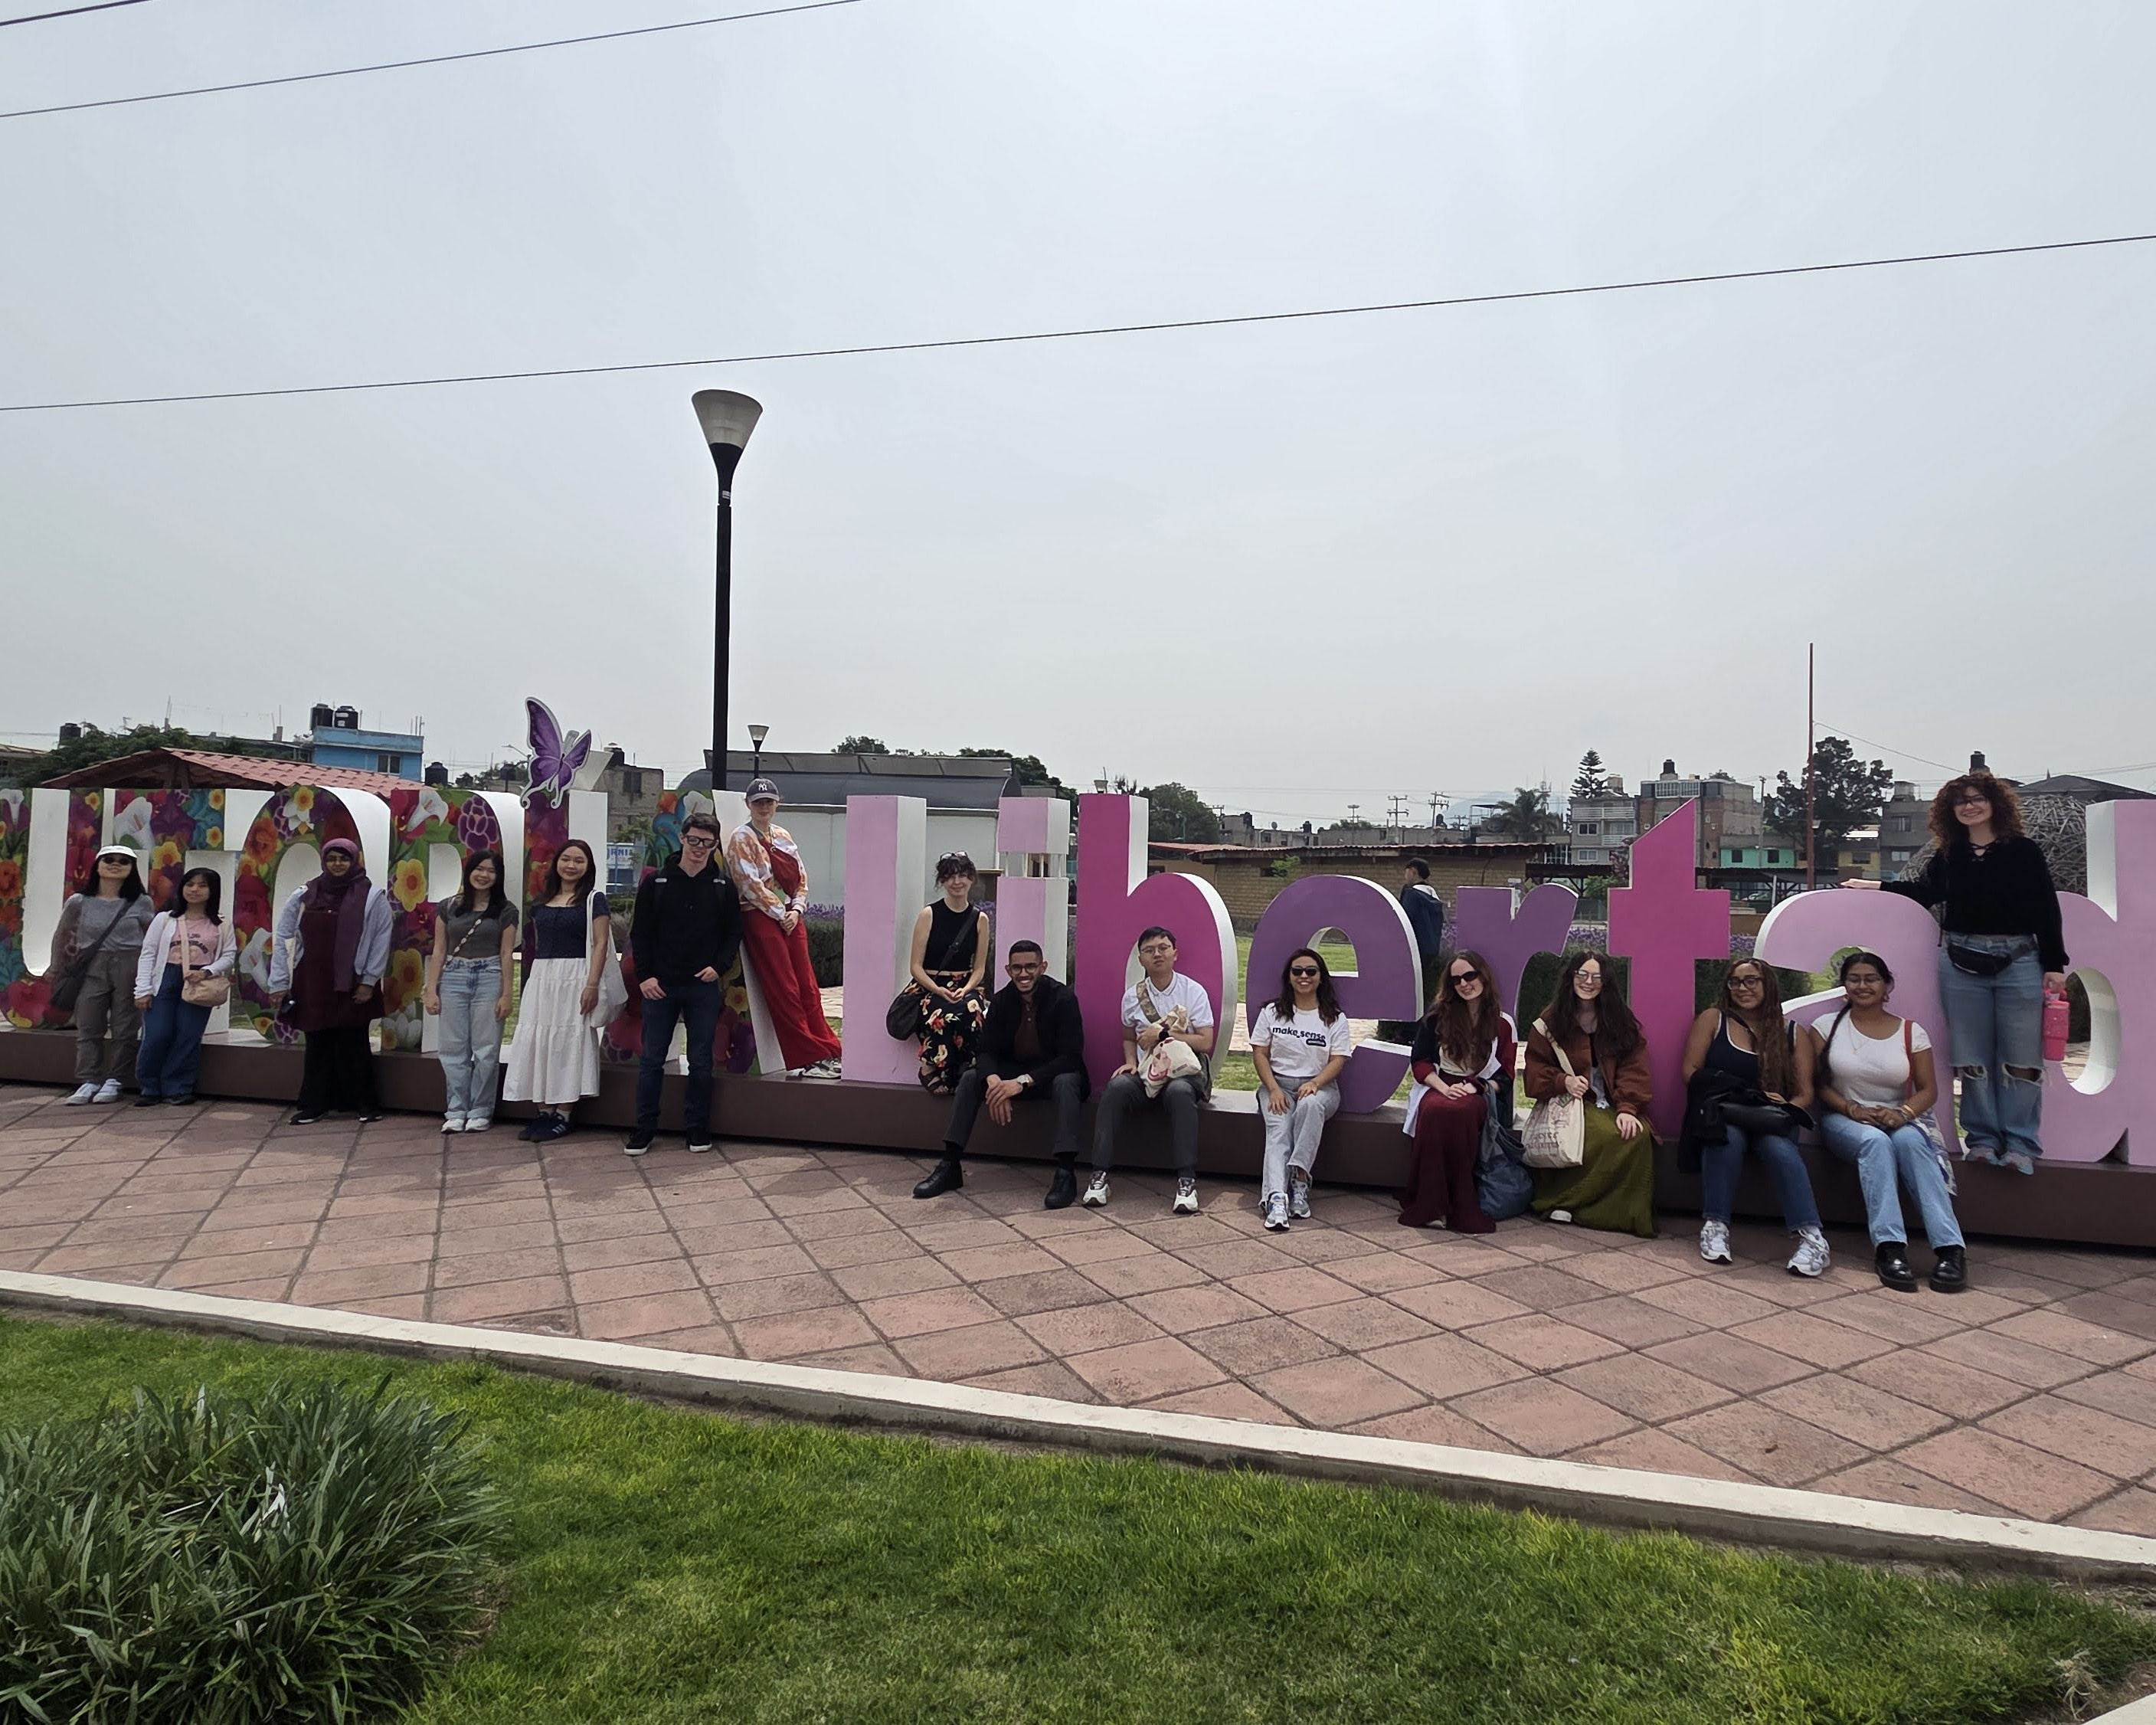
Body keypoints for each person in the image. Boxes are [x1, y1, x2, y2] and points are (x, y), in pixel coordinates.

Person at [1844, 769, 2066, 1175]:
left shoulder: (2023, 851)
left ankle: (2020, 1143)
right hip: (1961, 961)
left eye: (1977, 798)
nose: (1970, 806)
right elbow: (1925, 893)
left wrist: (2054, 964)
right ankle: (1982, 1139)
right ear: (1951, 810)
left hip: (2019, 960)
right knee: (1970, 1057)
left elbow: (2046, 907)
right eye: (1961, 801)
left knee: (2022, 1059)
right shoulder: (1949, 855)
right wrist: (1876, 887)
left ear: (1994, 803)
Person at [1813, 950, 1967, 1293]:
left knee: (1913, 1144)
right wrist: (1852, 1109)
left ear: (1887, 985)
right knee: (1875, 1142)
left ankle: (1950, 1249)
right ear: (1844, 985)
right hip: (1844, 1120)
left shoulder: (1911, 1031)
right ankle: (1890, 1247)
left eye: (1871, 979)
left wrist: (1902, 1114)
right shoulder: (1826, 1028)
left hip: (1899, 1119)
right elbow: (1818, 1085)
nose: (1862, 986)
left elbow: (1929, 1090)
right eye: (1854, 979)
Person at [912, 939, 1090, 1206]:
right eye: (1017, 968)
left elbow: (1070, 1057)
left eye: (1030, 967)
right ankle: (950, 1165)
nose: (1024, 973)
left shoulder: (1062, 999)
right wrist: (995, 1082)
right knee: (971, 1079)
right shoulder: (1002, 1000)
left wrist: (1021, 1083)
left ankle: (1065, 1172)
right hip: (1012, 1072)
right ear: (1008, 970)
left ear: (1043, 967)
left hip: (1049, 1074)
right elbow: (986, 1051)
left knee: (1067, 1082)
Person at [1680, 959, 1828, 1275]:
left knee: (1779, 1148)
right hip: (1726, 1112)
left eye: (1751, 981)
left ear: (1767, 984)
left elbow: (1806, 1093)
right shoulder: (1713, 1019)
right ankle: (1715, 1226)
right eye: (1735, 982)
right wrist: (1731, 1090)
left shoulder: (1792, 1032)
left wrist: (1787, 1106)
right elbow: (1690, 1071)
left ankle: (1812, 1238)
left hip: (1770, 1118)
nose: (1742, 988)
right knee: (1725, 1137)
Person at [627, 811, 741, 1156]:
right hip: (659, 985)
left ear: (715, 845)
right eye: (694, 840)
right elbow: (640, 933)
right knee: (652, 1060)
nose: (699, 848)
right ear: (682, 838)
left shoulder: (722, 886)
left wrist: (718, 967)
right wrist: (645, 976)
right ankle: (644, 1128)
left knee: (701, 1060)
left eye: (707, 842)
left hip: (701, 987)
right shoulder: (657, 883)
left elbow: (733, 933)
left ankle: (696, 1128)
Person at [1521, 951, 1656, 1238]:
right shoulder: (1550, 1021)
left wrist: (1628, 1108)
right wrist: (1563, 1081)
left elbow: (1634, 1068)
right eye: (1582, 974)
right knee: (1601, 1134)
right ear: (1571, 977)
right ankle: (1564, 1201)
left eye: (1597, 976)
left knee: (1638, 1135)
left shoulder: (1620, 1020)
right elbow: (1534, 1071)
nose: (1589, 982)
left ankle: (1615, 1211)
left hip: (1613, 1102)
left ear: (1606, 982)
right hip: (1571, 1103)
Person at [1083, 925, 1215, 1214]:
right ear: (1140, 959)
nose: (1157, 954)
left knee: (1180, 1093)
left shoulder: (1193, 992)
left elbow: (1205, 1042)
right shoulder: (1133, 996)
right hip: (1147, 1074)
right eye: (1149, 950)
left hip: (1183, 1073)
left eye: (1163, 948)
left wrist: (1164, 1034)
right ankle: (1099, 1175)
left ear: (1175, 953)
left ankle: (1186, 1180)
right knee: (1116, 1088)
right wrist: (1130, 1062)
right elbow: (1128, 1037)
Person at [267, 838, 394, 1125]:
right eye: (332, 859)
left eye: (344, 859)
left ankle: (365, 1104)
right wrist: (279, 981)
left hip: (353, 982)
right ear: (323, 861)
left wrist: (368, 981)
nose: (338, 864)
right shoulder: (304, 895)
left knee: (354, 1043)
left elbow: (380, 940)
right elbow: (285, 938)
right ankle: (315, 1105)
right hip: (312, 981)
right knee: (317, 1044)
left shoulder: (372, 897)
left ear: (354, 861)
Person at [725, 777, 842, 1078]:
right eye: (758, 802)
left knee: (807, 985)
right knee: (784, 987)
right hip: (761, 915)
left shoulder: (782, 835)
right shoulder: (741, 839)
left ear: (777, 804)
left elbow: (800, 877)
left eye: (769, 802)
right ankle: (807, 1055)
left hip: (791, 916)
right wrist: (781, 913)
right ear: (749, 805)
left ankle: (828, 1048)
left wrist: (797, 909)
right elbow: (749, 884)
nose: (764, 807)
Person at [504, 838, 614, 1143]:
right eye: (566, 859)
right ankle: (544, 1110)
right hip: (543, 977)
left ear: (588, 866)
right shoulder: (542, 901)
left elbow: (601, 944)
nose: (571, 866)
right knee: (538, 1039)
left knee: (569, 1040)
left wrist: (591, 983)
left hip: (576, 976)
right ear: (556, 863)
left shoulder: (594, 900)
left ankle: (564, 1113)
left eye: (579, 861)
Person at [1399, 951, 1513, 1232]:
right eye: (1456, 980)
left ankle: (1459, 1204)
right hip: (1439, 1084)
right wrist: (1443, 1088)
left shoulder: (1502, 1023)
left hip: (1478, 1089)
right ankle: (1431, 1205)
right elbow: (1420, 1061)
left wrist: (1476, 1087)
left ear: (1483, 976)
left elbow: (1506, 1075)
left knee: (1461, 1113)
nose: (1464, 984)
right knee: (1436, 1110)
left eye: (1469, 976)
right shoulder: (1437, 1016)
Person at [1249, 947, 1353, 1231]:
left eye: (1311, 971)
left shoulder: (1334, 1017)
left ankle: (1300, 1179)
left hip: (1321, 1086)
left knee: (1310, 1105)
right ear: (1289, 976)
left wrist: (1315, 1083)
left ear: (1321, 977)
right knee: (1279, 1130)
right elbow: (1260, 1054)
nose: (1304, 976)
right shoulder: (1272, 1012)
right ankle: (1276, 1199)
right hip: (1277, 1085)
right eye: (1297, 971)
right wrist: (1273, 1089)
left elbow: (1338, 1060)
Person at [423, 849, 519, 1134]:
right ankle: (456, 1110)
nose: (484, 875)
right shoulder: (448, 907)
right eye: (479, 869)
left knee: (486, 1049)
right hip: (454, 976)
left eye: (491, 871)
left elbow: (507, 954)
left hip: (489, 975)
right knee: (452, 1048)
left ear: (498, 876)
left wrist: (507, 994)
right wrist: (432, 989)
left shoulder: (506, 910)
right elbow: (439, 950)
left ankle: (480, 1110)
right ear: (469, 871)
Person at [56, 846, 156, 1104]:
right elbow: (62, 934)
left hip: (130, 964)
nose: (115, 864)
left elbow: (153, 937)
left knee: (126, 1026)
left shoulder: (141, 901)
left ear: (132, 868)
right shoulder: (79, 901)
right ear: (97, 865)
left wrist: (152, 973)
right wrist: (55, 966)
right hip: (92, 965)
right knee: (89, 1024)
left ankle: (115, 1080)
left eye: (124, 861)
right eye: (109, 859)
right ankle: (88, 1079)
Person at [129, 866, 235, 1106]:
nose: (195, 890)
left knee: (188, 1035)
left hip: (199, 982)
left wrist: (207, 971)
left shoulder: (221, 924)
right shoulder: (165, 919)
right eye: (190, 884)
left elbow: (229, 955)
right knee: (157, 1034)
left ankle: (178, 1087)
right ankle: (149, 1086)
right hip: (165, 978)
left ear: (213, 891)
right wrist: (143, 989)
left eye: (202, 885)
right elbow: (148, 953)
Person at [901, 851, 992, 1093]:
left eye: (962, 876)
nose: (957, 882)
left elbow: (979, 968)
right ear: (942, 881)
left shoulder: (980, 919)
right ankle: (929, 1067)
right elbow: (915, 966)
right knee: (942, 1012)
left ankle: (965, 1070)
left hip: (965, 984)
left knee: (973, 1012)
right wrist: (938, 989)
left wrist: (967, 988)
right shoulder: (929, 915)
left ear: (971, 879)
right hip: (930, 984)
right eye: (950, 877)